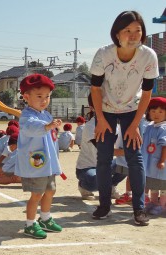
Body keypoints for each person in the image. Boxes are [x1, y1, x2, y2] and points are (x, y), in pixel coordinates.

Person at [90, 11, 159, 226]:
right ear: (117, 34)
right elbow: (95, 88)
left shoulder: (148, 56)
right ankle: (104, 205)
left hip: (132, 109)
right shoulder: (103, 54)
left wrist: (136, 124)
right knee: (104, 156)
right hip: (106, 108)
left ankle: (139, 209)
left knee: (135, 157)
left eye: (137, 30)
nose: (133, 35)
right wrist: (100, 119)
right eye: (127, 30)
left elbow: (147, 93)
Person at [15, 74, 63, 239]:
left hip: (48, 162)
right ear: (26, 97)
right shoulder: (27, 116)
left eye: (47, 96)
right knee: (36, 194)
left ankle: (45, 217)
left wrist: (53, 127)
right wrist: (49, 126)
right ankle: (29, 224)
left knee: (51, 190)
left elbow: (51, 137)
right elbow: (31, 128)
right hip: (36, 163)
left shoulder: (46, 115)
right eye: (39, 96)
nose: (44, 100)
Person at [76, 94, 125, 200]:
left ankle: (111, 185)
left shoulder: (116, 126)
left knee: (127, 163)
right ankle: (83, 185)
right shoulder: (90, 127)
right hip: (87, 168)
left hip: (107, 164)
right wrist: (131, 152)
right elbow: (105, 151)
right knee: (96, 181)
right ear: (92, 108)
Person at [141, 97, 166, 215]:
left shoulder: (163, 128)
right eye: (153, 111)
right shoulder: (150, 127)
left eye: (161, 112)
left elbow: (165, 145)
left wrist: (162, 160)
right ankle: (153, 202)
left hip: (160, 162)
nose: (157, 114)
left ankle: (162, 205)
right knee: (153, 183)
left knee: (162, 185)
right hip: (150, 162)